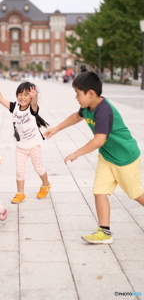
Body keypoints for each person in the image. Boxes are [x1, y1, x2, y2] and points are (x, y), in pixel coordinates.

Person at [44, 71, 144, 244]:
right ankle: (104, 232)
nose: (76, 97)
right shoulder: (87, 107)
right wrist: (56, 128)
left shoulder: (104, 111)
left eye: (78, 93)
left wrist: (76, 153)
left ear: (90, 93)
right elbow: (77, 116)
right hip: (107, 157)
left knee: (136, 194)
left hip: (125, 158)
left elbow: (99, 140)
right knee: (99, 192)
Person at [0, 71, 51, 204]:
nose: (22, 97)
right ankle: (20, 193)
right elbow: (0, 99)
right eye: (20, 94)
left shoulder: (32, 109)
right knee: (19, 171)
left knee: (38, 168)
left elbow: (34, 104)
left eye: (26, 95)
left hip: (34, 145)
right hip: (21, 147)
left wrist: (34, 98)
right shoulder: (14, 107)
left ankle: (46, 185)